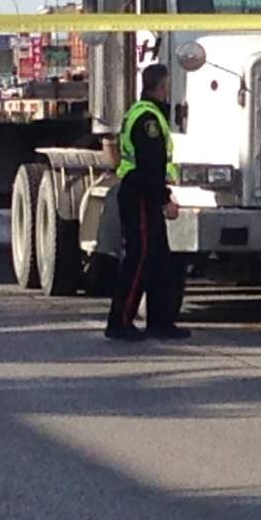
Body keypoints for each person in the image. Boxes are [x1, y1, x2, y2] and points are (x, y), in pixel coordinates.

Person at [105, 64, 189, 341]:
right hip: (140, 193)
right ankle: (120, 322)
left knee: (160, 260)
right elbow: (150, 166)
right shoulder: (148, 120)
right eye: (167, 85)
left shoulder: (146, 112)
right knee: (139, 259)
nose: (169, 90)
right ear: (160, 86)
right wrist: (165, 200)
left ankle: (160, 321)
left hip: (144, 192)